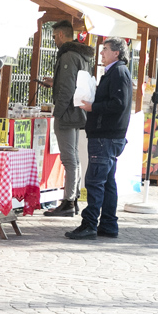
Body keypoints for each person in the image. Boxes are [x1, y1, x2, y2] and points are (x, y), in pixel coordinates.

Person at [65, 37, 132, 241]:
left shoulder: (118, 72)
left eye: (105, 50)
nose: (101, 53)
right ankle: (109, 224)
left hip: (106, 136)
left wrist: (93, 107)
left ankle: (90, 224)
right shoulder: (115, 72)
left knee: (95, 181)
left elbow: (118, 103)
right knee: (108, 182)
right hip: (109, 135)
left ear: (116, 53)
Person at [43, 20, 96, 218]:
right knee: (73, 157)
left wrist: (58, 110)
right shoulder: (81, 55)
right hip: (78, 110)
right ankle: (72, 200)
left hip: (67, 112)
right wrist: (55, 82)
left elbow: (66, 88)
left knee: (69, 158)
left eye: (55, 36)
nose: (54, 40)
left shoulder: (67, 56)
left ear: (61, 35)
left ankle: (68, 201)